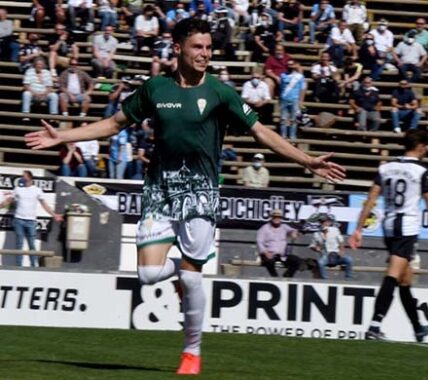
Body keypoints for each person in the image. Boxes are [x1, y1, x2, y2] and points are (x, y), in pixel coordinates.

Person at [25, 18, 345, 375]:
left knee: (193, 279)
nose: (205, 54)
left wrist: (307, 160)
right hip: (160, 190)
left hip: (200, 193)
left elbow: (260, 131)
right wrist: (63, 136)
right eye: (198, 47)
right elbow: (114, 124)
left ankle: (191, 352)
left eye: (208, 48)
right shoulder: (156, 88)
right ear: (177, 49)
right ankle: (177, 271)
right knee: (147, 274)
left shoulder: (221, 93)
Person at [349, 129, 428, 342]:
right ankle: (374, 326)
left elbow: (370, 199)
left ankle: (417, 328)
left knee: (405, 281)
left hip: (388, 227)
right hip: (407, 229)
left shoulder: (386, 167)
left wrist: (358, 228)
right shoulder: (422, 171)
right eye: (426, 146)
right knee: (393, 276)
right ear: (421, 146)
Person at [0, 171, 62, 267]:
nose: (22, 178)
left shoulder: (37, 190)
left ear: (29, 177)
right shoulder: (18, 189)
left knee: (32, 245)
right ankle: (18, 266)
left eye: (23, 176)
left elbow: (44, 205)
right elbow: (8, 201)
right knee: (19, 244)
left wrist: (54, 215)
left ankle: (33, 266)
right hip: (19, 220)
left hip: (31, 221)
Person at [257, 209, 302, 277]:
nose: (276, 219)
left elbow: (292, 231)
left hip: (282, 255)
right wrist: (265, 252)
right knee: (269, 261)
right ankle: (275, 277)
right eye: (275, 217)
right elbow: (259, 242)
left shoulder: (284, 227)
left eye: (278, 217)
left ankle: (287, 277)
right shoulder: (264, 228)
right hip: (269, 254)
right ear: (271, 217)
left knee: (296, 260)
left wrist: (294, 233)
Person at [310, 214, 353, 280]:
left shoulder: (335, 230)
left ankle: (348, 279)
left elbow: (341, 241)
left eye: (324, 221)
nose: (323, 223)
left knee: (349, 259)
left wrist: (341, 251)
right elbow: (312, 245)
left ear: (329, 222)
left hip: (336, 254)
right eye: (321, 222)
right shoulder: (316, 234)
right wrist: (316, 248)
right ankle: (325, 280)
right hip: (325, 256)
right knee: (320, 262)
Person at [279, 59, 306, 139]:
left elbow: (303, 89)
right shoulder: (283, 75)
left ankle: (292, 137)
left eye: (291, 64)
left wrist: (301, 100)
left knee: (294, 120)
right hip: (284, 99)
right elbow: (281, 87)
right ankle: (283, 136)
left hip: (295, 100)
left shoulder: (300, 77)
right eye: (288, 65)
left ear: (295, 65)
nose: (289, 66)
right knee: (283, 119)